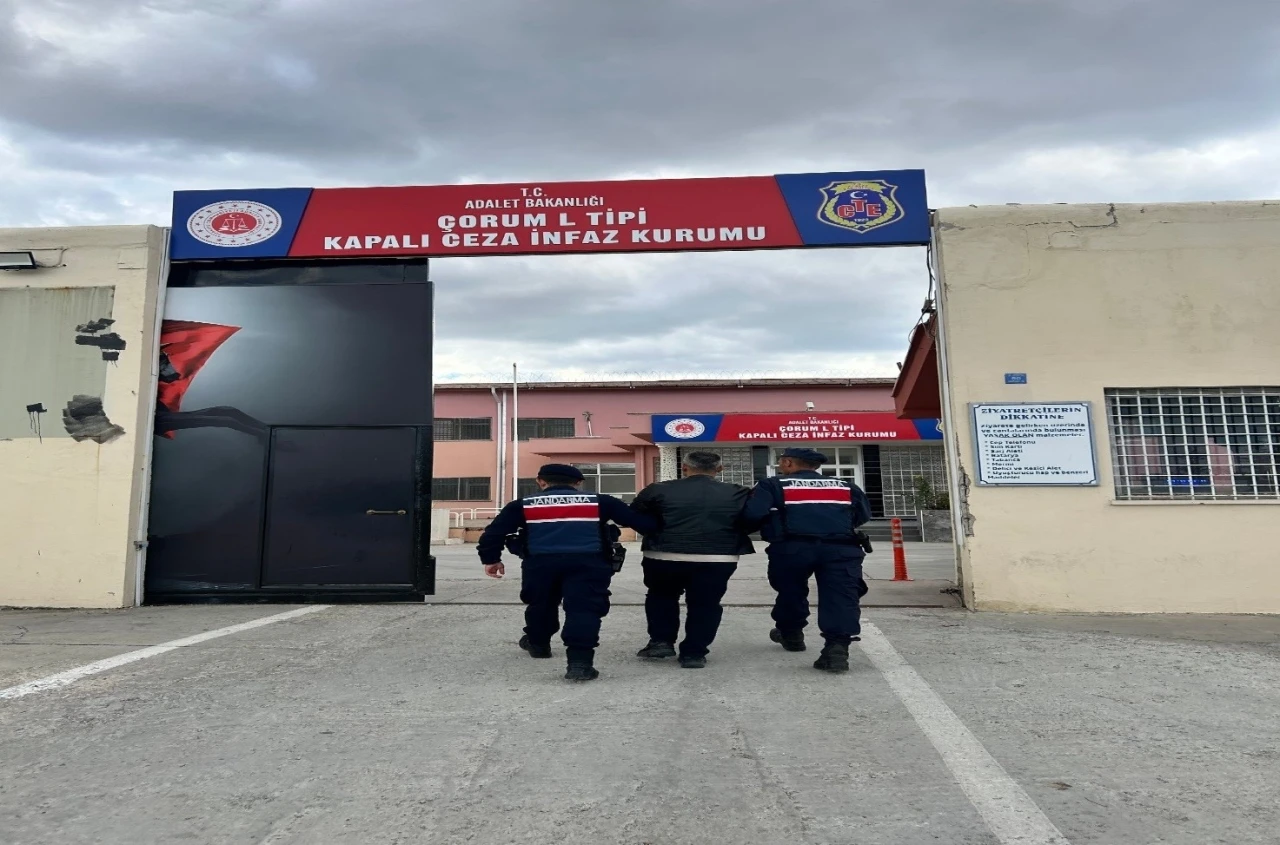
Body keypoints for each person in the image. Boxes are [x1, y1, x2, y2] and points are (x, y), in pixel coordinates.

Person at [477, 463, 657, 682]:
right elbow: (643, 524)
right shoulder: (601, 502)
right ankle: (580, 664)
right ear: (578, 483)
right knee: (584, 609)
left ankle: (538, 644)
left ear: (540, 481)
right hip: (588, 563)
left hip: (540, 564)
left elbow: (493, 534)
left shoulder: (522, 505)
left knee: (541, 603)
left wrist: (491, 559)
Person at [742, 447, 872, 673]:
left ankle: (791, 634)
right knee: (841, 596)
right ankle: (837, 649)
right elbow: (862, 516)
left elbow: (752, 514)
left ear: (788, 463)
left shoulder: (772, 485)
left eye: (781, 461)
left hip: (791, 548)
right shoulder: (845, 486)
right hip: (841, 549)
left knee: (790, 591)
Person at [630, 451, 755, 669]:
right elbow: (754, 517)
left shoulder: (657, 489)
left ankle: (661, 642)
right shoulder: (739, 492)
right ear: (719, 469)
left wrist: (655, 533)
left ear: (685, 468)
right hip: (718, 556)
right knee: (706, 604)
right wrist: (734, 534)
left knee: (661, 596)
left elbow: (634, 516)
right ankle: (694, 653)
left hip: (663, 554)